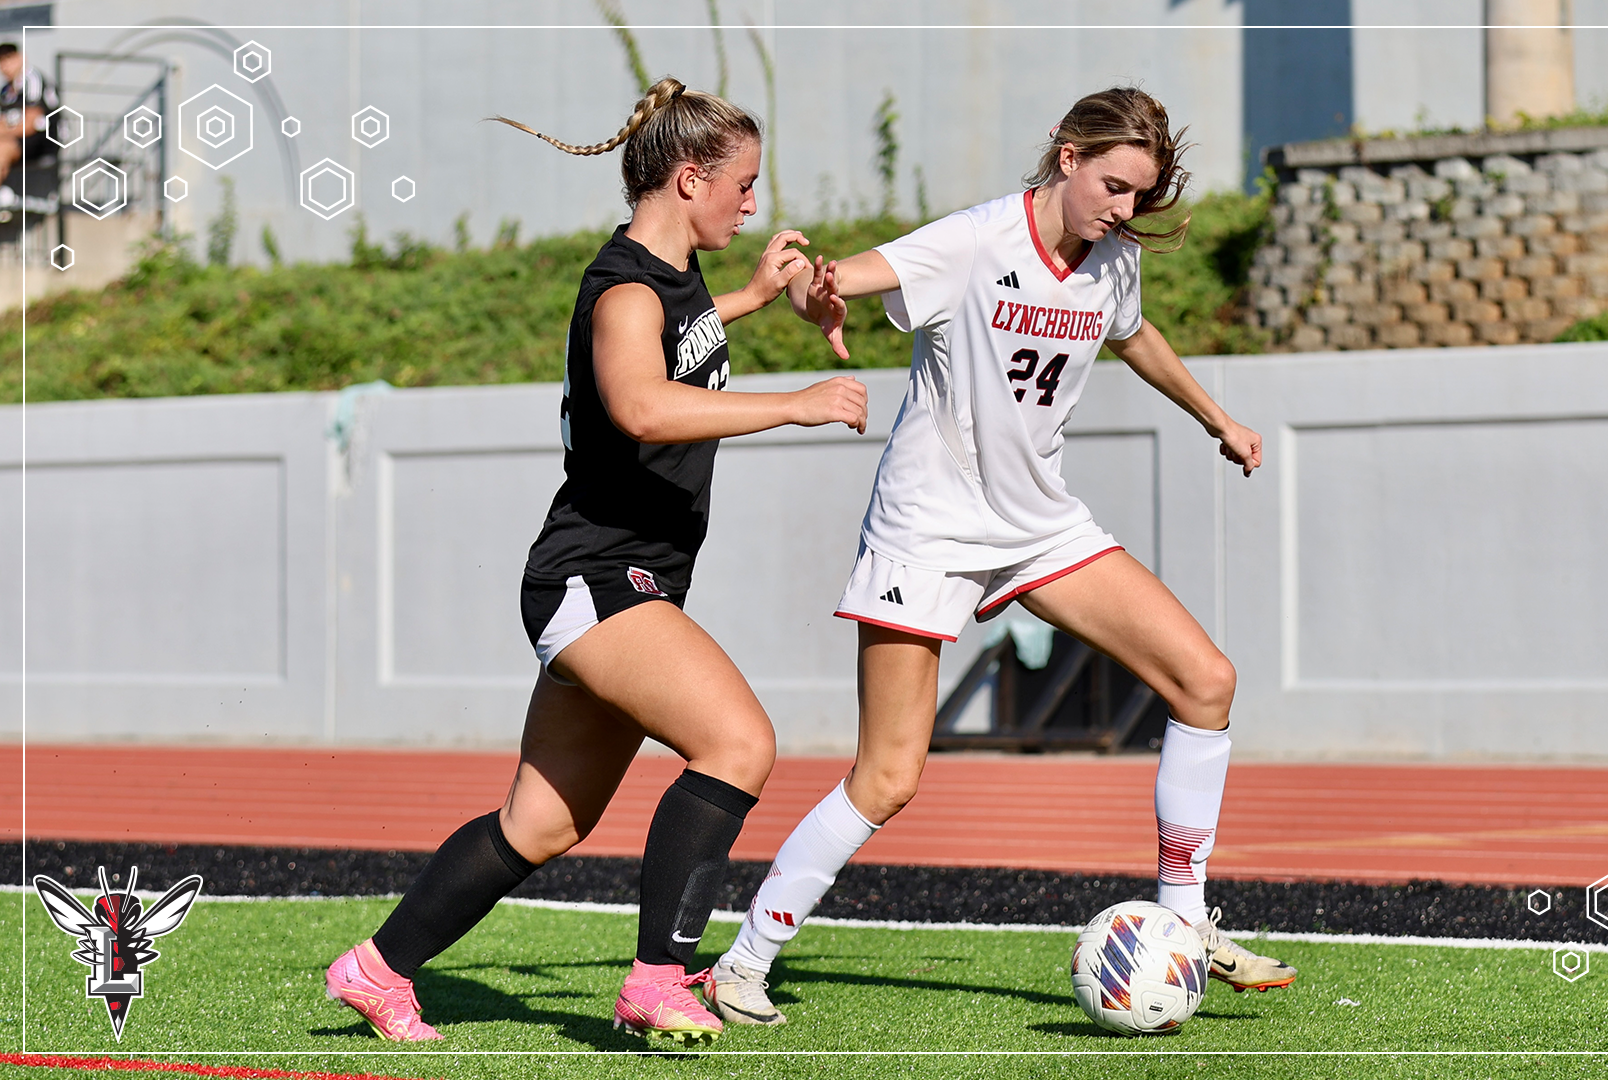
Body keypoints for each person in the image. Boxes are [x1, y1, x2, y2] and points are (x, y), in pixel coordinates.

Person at [703, 86, 1297, 1027]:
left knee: (1205, 680)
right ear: (1067, 156)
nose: (1122, 209)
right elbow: (850, 277)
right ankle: (744, 961)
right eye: (1111, 185)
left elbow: (1135, 337)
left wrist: (1217, 417)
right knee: (889, 777)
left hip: (1039, 527)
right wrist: (815, 286)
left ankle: (1185, 924)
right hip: (927, 529)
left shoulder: (1112, 261)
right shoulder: (977, 239)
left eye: (1138, 195)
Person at [323, 76, 866, 1047]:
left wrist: (747, 298)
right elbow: (643, 404)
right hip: (598, 575)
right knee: (738, 745)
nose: (753, 201)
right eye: (742, 184)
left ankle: (377, 968)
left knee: (539, 826)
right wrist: (795, 402)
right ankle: (658, 976)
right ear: (690, 177)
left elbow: (678, 342)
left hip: (618, 574)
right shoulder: (625, 288)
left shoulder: (673, 278)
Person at [0, 42, 57, 203]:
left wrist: (4, 132)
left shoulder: (32, 79)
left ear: (21, 58)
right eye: (1, 61)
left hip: (41, 140)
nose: (5, 65)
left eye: (9, 59)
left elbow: (30, 124)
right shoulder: (5, 91)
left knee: (2, 148)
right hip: (17, 140)